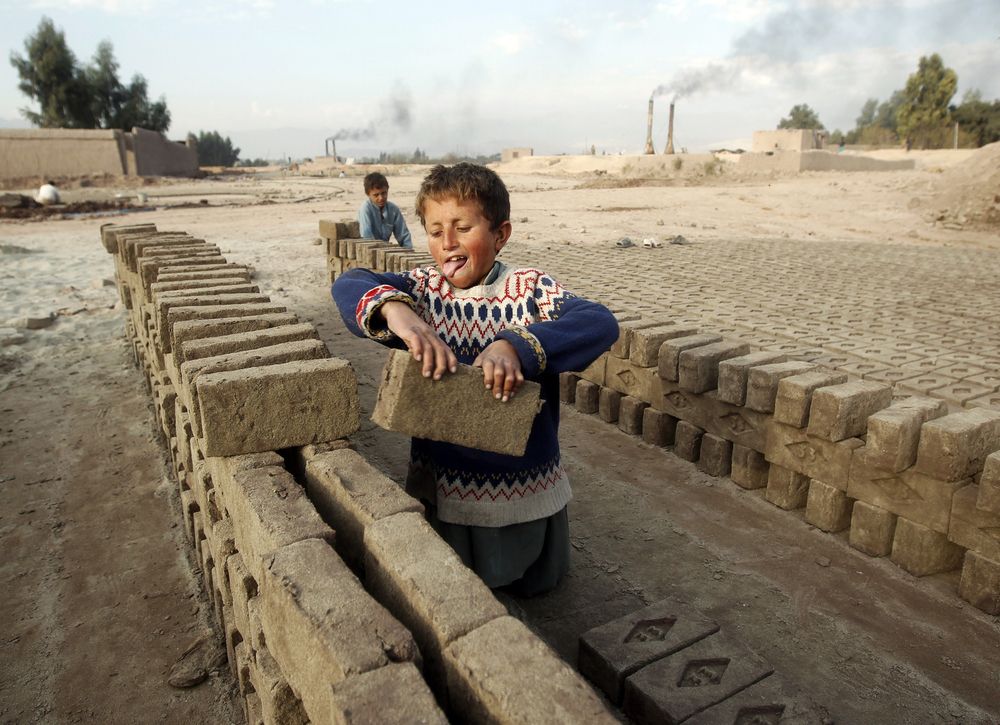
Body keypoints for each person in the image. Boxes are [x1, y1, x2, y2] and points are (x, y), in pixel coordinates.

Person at [332, 163, 618, 595]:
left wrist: (515, 346)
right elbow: (350, 282)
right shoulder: (423, 290)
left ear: (500, 234)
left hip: (521, 474)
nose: (447, 243)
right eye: (434, 230)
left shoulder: (528, 289)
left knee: (531, 586)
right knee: (457, 582)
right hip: (445, 476)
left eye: (463, 227)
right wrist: (397, 312)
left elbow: (598, 321)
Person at [357, 171, 412, 249]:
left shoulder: (393, 209)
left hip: (385, 251)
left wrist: (408, 252)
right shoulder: (365, 209)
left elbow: (404, 236)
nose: (381, 198)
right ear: (368, 194)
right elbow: (367, 238)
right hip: (370, 251)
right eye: (376, 195)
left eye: (384, 193)